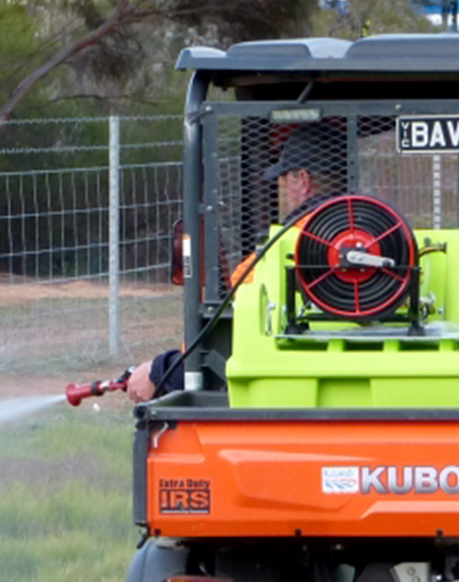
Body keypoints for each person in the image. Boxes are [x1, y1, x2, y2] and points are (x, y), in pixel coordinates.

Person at [126, 124, 346, 402]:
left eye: (284, 179)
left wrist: (161, 372)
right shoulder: (381, 238)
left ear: (303, 181)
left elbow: (227, 331)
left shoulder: (288, 244)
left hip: (287, 388)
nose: (283, 190)